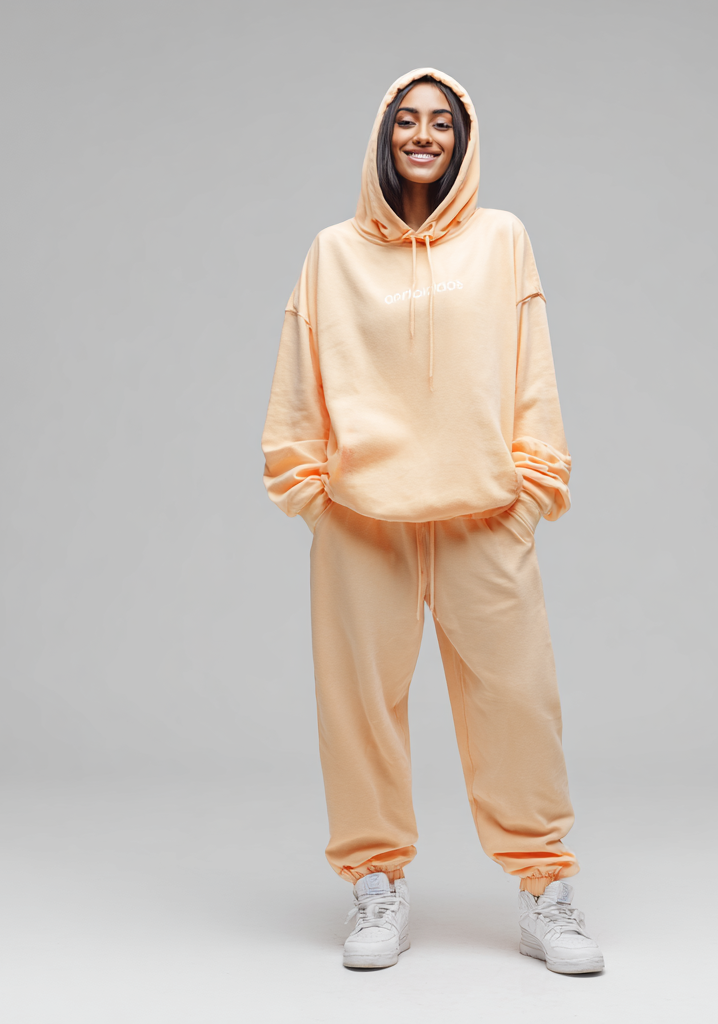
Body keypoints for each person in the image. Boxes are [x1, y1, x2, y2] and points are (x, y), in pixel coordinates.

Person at [262, 68, 603, 974]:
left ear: (463, 138)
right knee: (359, 710)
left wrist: (533, 486)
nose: (423, 135)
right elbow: (299, 380)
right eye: (407, 120)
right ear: (385, 134)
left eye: (441, 122)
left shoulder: (503, 240)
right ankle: (375, 884)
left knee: (518, 701)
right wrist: (313, 493)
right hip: (361, 523)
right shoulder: (333, 253)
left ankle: (545, 888)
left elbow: (532, 370)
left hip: (484, 515)